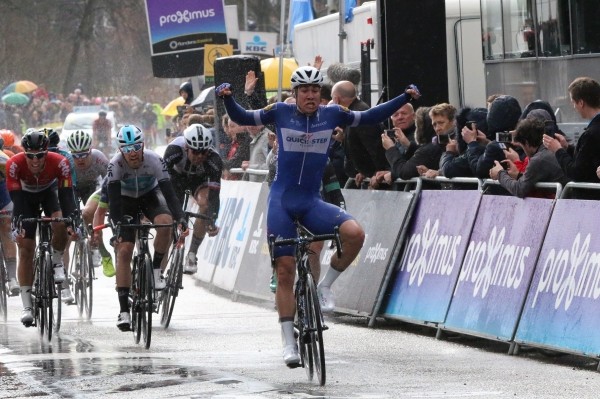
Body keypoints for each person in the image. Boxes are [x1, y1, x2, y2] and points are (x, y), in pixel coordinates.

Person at [215, 66, 420, 367]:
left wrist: (403, 96)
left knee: (355, 234)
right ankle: (288, 341)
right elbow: (245, 118)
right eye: (304, 90)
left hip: (312, 201)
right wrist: (228, 99)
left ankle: (324, 287)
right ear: (295, 93)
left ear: (320, 94)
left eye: (315, 90)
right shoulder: (280, 112)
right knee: (285, 271)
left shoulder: (333, 114)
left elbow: (373, 116)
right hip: (282, 202)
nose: (310, 95)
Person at [107, 125, 188, 331]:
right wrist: (117, 226)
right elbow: (114, 202)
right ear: (120, 150)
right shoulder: (115, 165)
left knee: (165, 222)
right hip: (125, 201)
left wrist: (180, 218)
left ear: (143, 145)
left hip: (150, 196)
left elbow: (169, 194)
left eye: (136, 147)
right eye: (126, 149)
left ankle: (155, 270)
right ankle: (124, 310)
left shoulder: (154, 159)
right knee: (124, 251)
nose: (132, 153)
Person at [6, 130, 78, 326]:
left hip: (49, 194)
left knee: (60, 222)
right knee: (26, 249)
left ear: (47, 153)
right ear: (25, 154)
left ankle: (56, 261)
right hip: (24, 198)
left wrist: (71, 220)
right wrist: (19, 222)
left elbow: (66, 195)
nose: (35, 160)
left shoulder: (59, 162)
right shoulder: (15, 164)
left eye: (40, 155)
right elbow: (17, 202)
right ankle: (27, 306)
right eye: (31, 156)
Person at [162, 123, 221, 274]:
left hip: (198, 182)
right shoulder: (174, 149)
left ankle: (192, 254)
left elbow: (214, 195)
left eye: (203, 152)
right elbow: (163, 181)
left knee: (205, 203)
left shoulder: (214, 160)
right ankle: (159, 271)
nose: (200, 156)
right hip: (176, 180)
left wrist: (212, 220)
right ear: (187, 147)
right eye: (195, 151)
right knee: (170, 223)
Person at [66, 130, 114, 277]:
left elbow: (110, 180)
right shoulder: (67, 161)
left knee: (88, 214)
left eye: (84, 154)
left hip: (92, 187)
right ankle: (78, 252)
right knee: (71, 218)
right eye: (76, 155)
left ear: (90, 150)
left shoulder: (98, 158)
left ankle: (98, 249)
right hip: (72, 187)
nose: (80, 159)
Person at [543, 77, 600, 199]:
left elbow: (576, 172)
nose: (574, 107)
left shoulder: (591, 133)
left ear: (581, 103)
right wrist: (567, 147)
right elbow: (588, 159)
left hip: (591, 200)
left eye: (573, 102)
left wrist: (558, 150)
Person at [489, 118, 569, 198]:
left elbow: (519, 189)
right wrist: (518, 176)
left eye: (522, 146)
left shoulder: (538, 159)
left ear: (526, 143)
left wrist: (500, 174)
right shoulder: (550, 150)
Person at [330, 80, 388, 188]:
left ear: (336, 99)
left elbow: (375, 146)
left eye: (332, 98)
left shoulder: (359, 115)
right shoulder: (354, 113)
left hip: (379, 181)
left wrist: (378, 172)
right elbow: (359, 145)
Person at [0, 143, 18, 297]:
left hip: (4, 194)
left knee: (6, 227)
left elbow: (15, 185)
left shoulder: (4, 160)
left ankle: (12, 277)